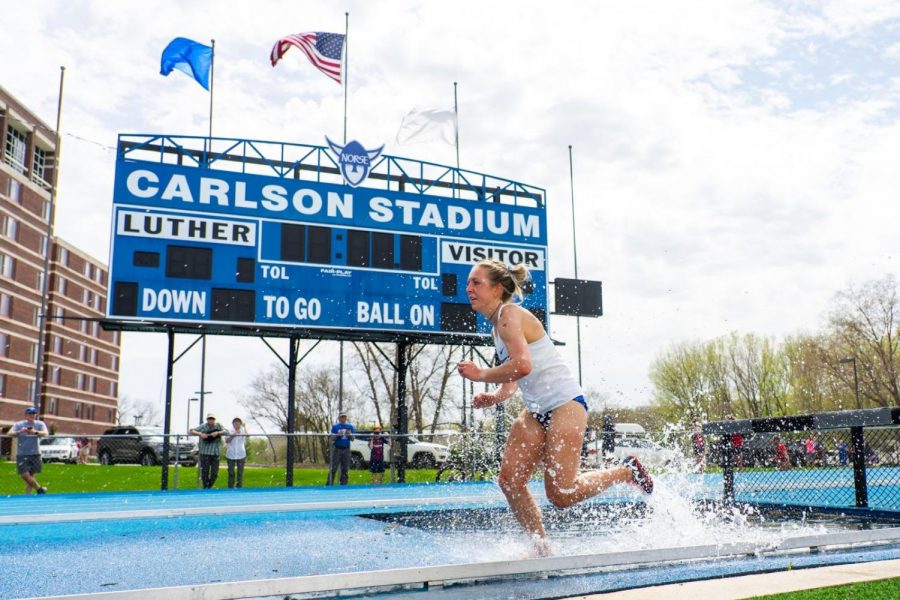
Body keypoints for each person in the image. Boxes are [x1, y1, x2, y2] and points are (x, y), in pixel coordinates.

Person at [457, 260, 653, 555]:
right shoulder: (498, 325)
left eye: (476, 282)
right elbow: (515, 376)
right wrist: (495, 396)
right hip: (536, 410)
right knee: (510, 481)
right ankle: (542, 548)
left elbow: (523, 365)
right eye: (469, 282)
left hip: (565, 405)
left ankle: (625, 471)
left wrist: (481, 374)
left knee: (561, 494)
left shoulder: (509, 315)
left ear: (497, 289)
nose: (468, 288)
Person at [11, 407, 49, 494]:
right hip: (22, 453)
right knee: (24, 475)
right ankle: (40, 489)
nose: (31, 415)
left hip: (35, 453)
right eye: (29, 413)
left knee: (31, 475)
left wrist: (35, 432)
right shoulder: (19, 424)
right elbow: (10, 433)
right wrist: (19, 432)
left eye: (33, 413)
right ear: (26, 415)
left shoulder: (40, 424)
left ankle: (28, 495)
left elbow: (46, 433)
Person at [191, 413, 225, 489]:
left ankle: (208, 487)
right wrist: (200, 434)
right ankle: (206, 488)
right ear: (207, 419)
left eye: (212, 419)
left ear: (214, 419)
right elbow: (191, 431)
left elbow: (226, 431)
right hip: (205, 453)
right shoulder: (203, 426)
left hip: (215, 453)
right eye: (209, 419)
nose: (211, 420)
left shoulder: (218, 425)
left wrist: (217, 433)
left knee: (215, 473)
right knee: (205, 473)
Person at [327, 412, 355, 485]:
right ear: (339, 418)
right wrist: (337, 435)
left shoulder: (350, 426)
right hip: (337, 449)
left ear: (346, 418)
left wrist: (350, 434)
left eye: (344, 417)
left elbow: (353, 439)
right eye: (342, 417)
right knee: (333, 468)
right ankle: (329, 484)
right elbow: (331, 438)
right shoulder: (335, 427)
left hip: (346, 449)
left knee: (345, 468)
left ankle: (343, 485)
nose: (343, 419)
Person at [225, 417, 247, 489]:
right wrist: (233, 435)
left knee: (240, 473)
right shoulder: (229, 430)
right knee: (231, 472)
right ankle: (230, 488)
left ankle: (239, 488)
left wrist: (244, 426)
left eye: (238, 422)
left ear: (240, 423)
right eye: (235, 422)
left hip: (241, 454)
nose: (236, 423)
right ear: (232, 423)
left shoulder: (243, 430)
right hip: (231, 454)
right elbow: (227, 441)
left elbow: (248, 435)